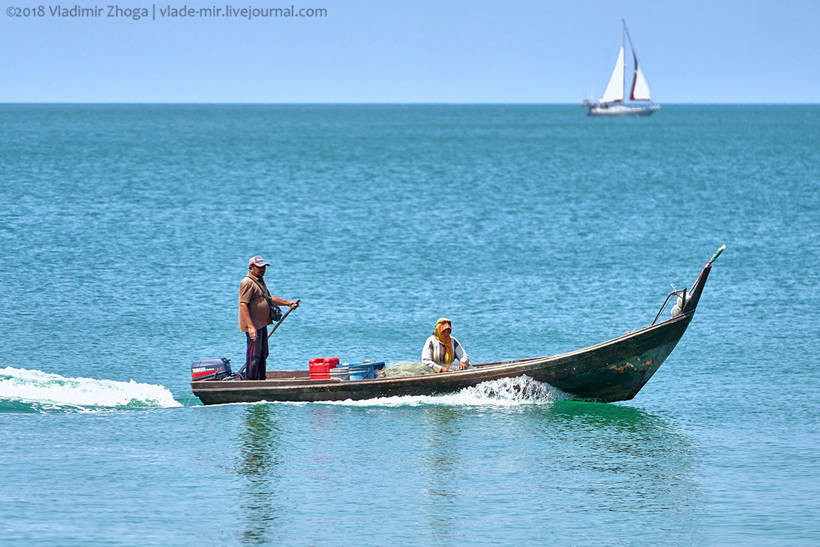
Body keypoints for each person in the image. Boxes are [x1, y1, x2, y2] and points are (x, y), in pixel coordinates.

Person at [239, 255, 299, 380]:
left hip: (262, 324)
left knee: (263, 353)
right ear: (251, 268)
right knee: (254, 355)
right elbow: (243, 304)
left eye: (264, 267)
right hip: (253, 326)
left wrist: (288, 303)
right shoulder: (247, 282)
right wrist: (250, 327)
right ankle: (251, 382)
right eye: (260, 267)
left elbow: (269, 299)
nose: (263, 270)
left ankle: (261, 380)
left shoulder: (259, 281)